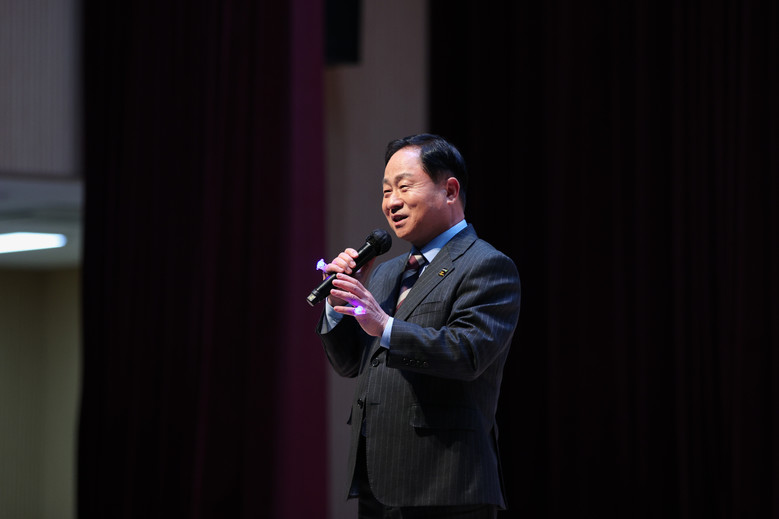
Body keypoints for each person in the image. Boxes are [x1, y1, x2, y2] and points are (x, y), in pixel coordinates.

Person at [317, 134, 521, 518]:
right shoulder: (387, 272)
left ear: (450, 190)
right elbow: (350, 364)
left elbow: (467, 354)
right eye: (385, 191)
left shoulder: (486, 265)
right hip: (377, 481)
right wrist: (336, 305)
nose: (391, 202)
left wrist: (385, 325)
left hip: (445, 484)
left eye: (404, 187)